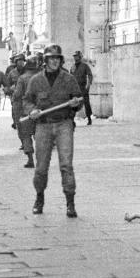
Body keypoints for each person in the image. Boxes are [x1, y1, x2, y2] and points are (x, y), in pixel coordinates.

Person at [23, 44, 83, 217]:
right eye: (51, 58)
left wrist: (76, 103)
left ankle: (70, 202)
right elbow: (27, 101)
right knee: (41, 166)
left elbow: (78, 99)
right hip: (43, 125)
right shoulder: (36, 80)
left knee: (66, 165)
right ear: (45, 60)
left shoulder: (68, 79)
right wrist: (32, 110)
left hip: (64, 124)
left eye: (57, 58)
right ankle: (39, 197)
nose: (55, 61)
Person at [14, 55, 40, 168]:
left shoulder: (22, 78)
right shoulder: (42, 77)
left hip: (26, 110)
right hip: (41, 110)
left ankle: (30, 159)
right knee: (40, 135)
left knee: (26, 135)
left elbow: (17, 95)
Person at [70, 50, 94, 125]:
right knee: (74, 104)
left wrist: (88, 85)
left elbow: (90, 75)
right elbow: (70, 77)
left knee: (86, 103)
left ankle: (89, 118)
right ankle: (72, 120)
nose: (75, 58)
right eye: (74, 56)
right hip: (74, 89)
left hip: (83, 88)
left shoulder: (85, 66)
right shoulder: (72, 67)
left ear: (80, 57)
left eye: (76, 56)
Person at [6, 53, 26, 132]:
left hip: (26, 97)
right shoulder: (12, 72)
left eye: (22, 61)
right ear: (16, 62)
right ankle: (16, 123)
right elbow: (7, 84)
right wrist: (10, 89)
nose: (21, 63)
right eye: (19, 61)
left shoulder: (27, 71)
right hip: (16, 97)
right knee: (16, 113)